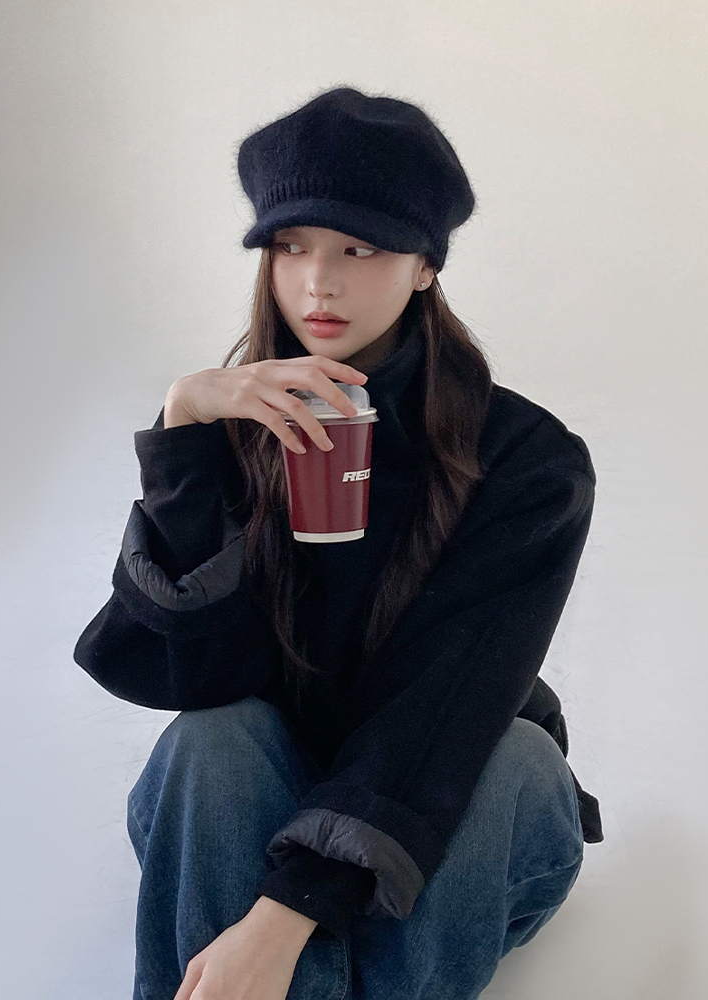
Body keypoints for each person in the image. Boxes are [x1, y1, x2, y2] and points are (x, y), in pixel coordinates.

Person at [74, 85, 603, 1000]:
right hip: (270, 793)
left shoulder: (527, 458)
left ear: (426, 265)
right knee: (211, 743)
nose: (319, 282)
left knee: (514, 757)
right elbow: (202, 681)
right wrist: (184, 436)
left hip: (454, 800)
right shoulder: (232, 426)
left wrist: (286, 913)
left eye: (360, 248)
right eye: (292, 246)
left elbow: (445, 711)